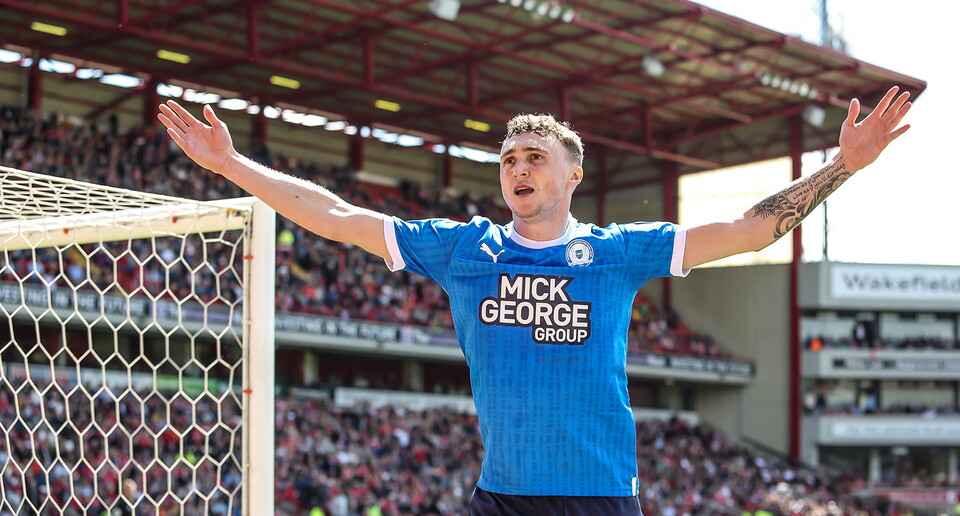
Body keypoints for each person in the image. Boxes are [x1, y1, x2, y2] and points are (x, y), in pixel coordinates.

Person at [158, 86, 912, 516]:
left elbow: (749, 231)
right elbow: (338, 218)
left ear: (572, 174)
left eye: (535, 158)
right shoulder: (465, 250)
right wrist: (232, 164)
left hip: (596, 500)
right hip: (502, 497)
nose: (518, 169)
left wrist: (838, 167)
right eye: (509, 160)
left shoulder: (617, 253)